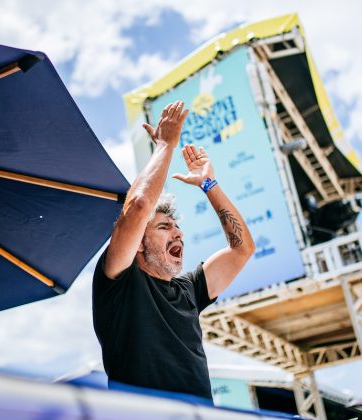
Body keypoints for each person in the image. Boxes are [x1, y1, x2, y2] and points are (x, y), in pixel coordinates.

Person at [92, 101, 255, 401]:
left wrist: (209, 183)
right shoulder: (119, 283)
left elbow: (242, 248)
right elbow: (139, 206)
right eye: (164, 227)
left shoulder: (190, 289)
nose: (177, 232)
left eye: (176, 227)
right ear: (138, 243)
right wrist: (166, 144)